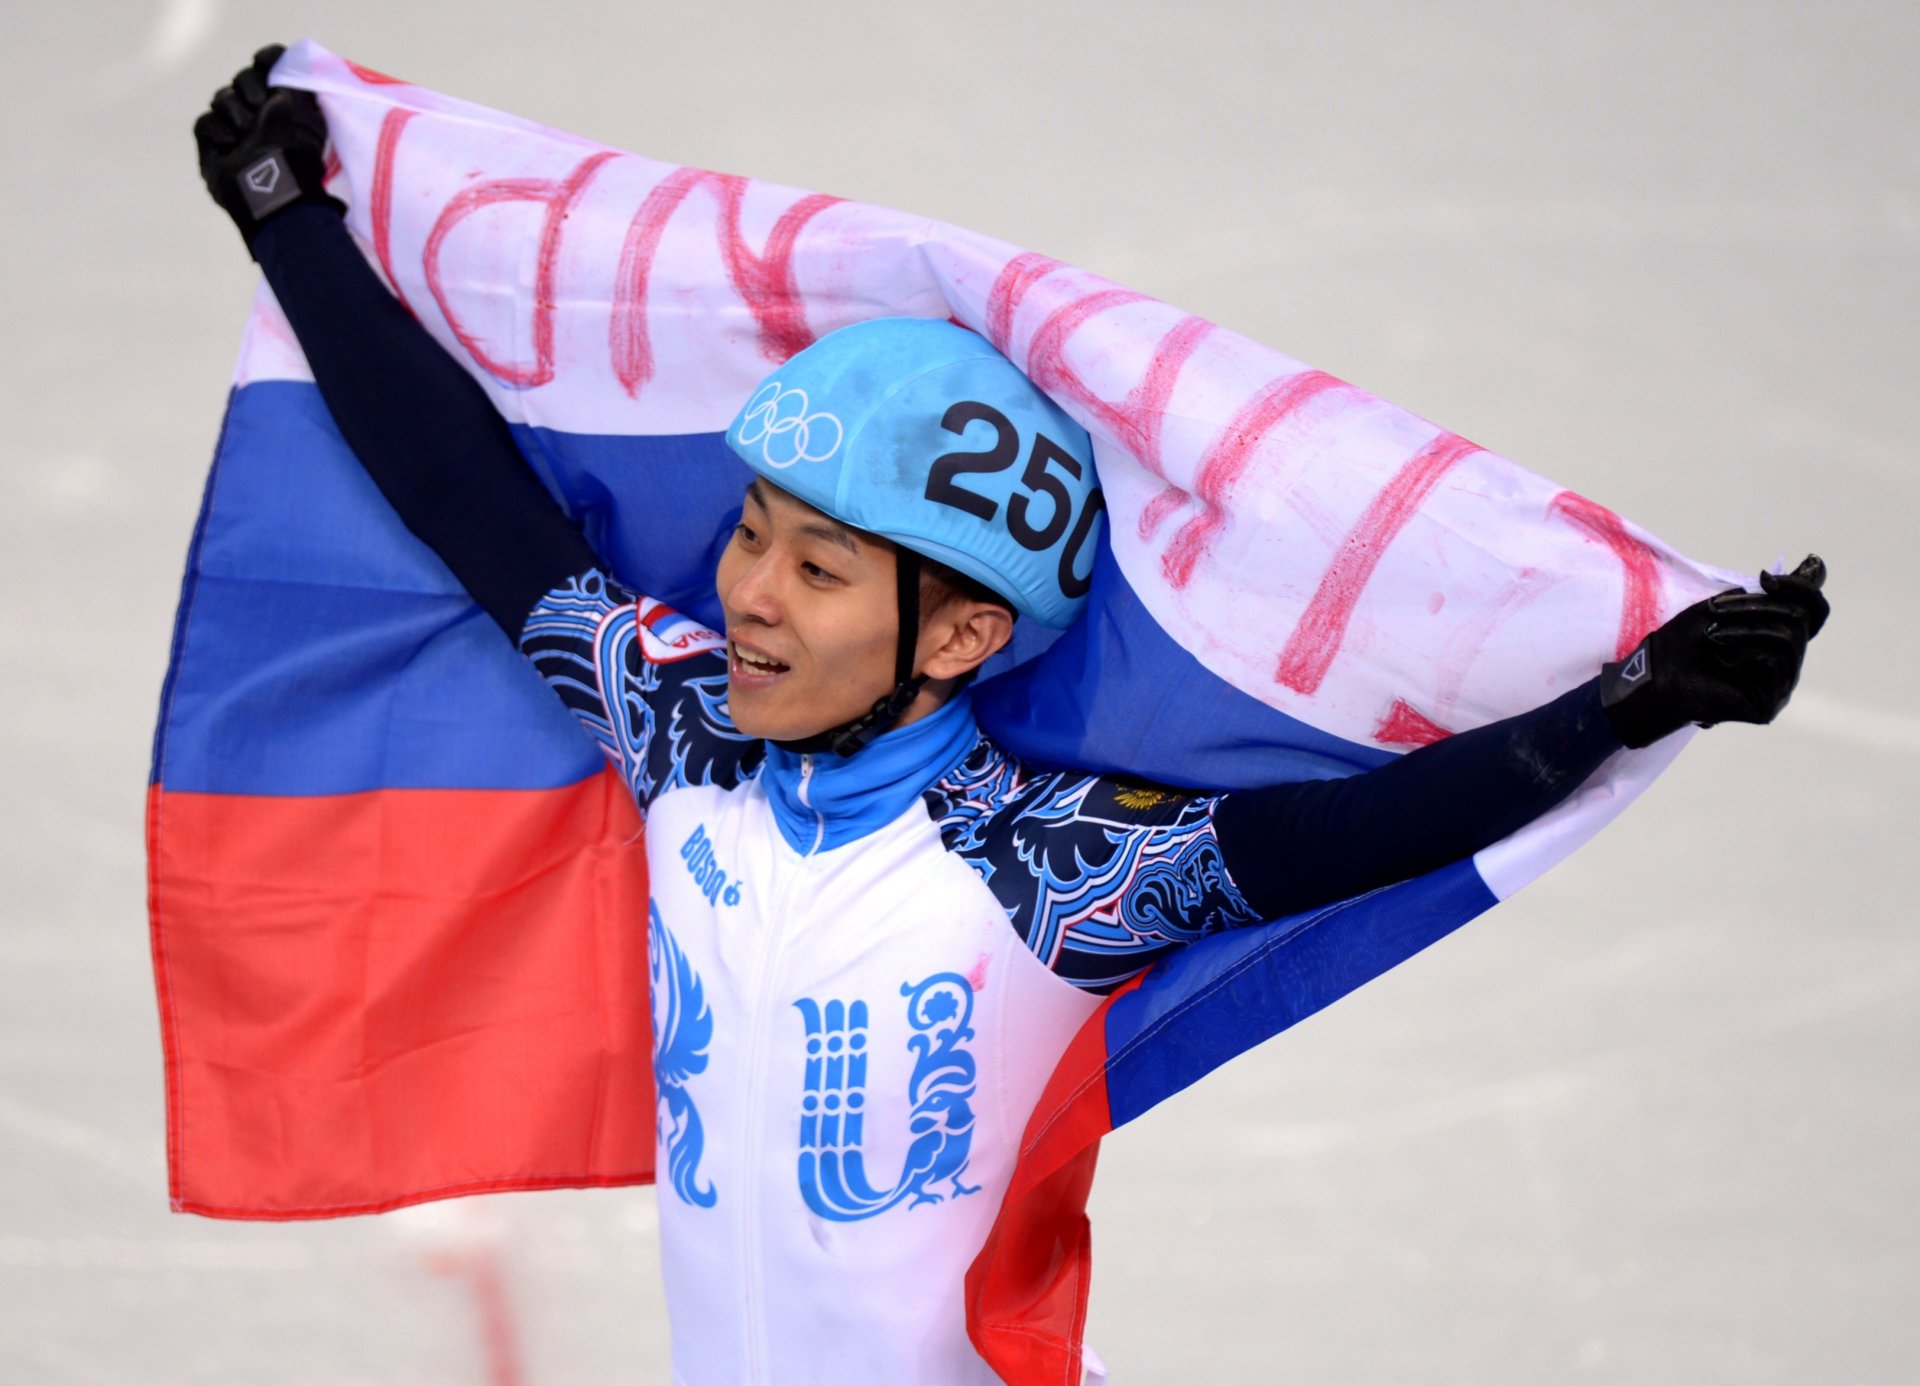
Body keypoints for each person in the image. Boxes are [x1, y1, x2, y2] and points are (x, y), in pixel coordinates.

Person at [193, 48, 1829, 1385]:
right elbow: (476, 509)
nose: (747, 589)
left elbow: (1365, 827)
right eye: (752, 530)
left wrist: (1623, 701)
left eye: (818, 565)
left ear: (963, 632)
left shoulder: (1042, 870)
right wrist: (293, 230)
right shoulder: (677, 730)